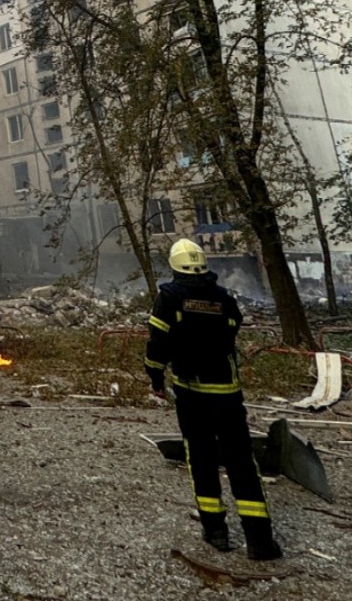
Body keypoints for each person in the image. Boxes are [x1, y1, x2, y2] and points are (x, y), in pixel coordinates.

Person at [144, 239, 282, 561]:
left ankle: (216, 531)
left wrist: (155, 378)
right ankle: (260, 540)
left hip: (191, 395)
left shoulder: (170, 298)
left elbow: (156, 346)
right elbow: (234, 326)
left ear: (174, 266)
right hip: (228, 395)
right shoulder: (223, 298)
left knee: (202, 460)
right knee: (241, 462)